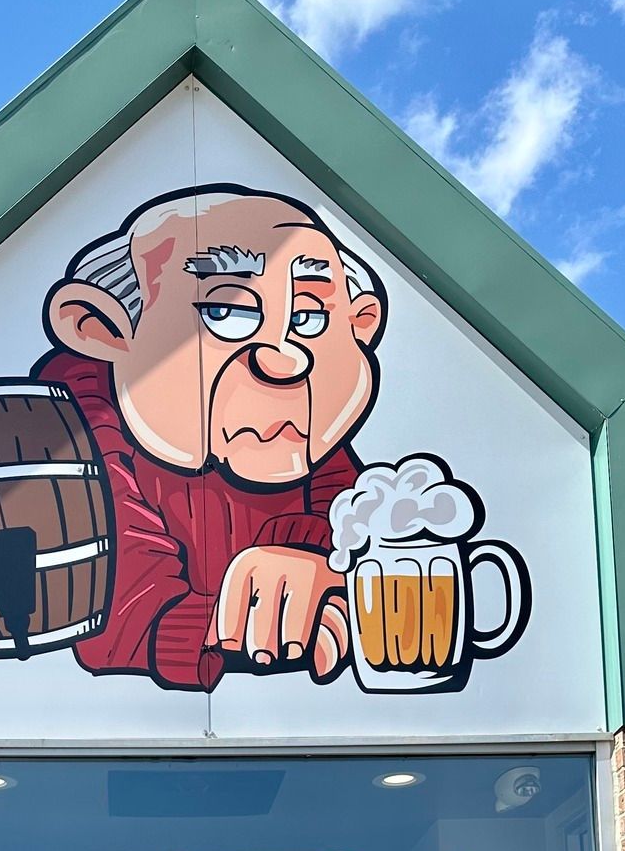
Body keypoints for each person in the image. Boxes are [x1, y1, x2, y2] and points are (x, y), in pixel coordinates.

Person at [36, 185, 383, 689]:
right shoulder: (71, 426)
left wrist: (324, 574)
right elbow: (118, 613)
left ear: (359, 326)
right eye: (225, 311)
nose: (284, 359)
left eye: (308, 317)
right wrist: (243, 614)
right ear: (100, 329)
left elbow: (354, 533)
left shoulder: (309, 438)